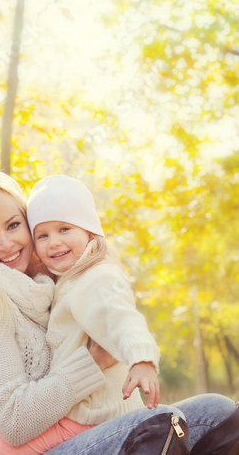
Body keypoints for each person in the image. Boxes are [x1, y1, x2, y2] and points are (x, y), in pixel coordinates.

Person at [0, 168, 239, 455]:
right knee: (158, 425)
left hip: (72, 431)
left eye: (13, 225)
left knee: (217, 412)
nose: (6, 243)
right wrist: (93, 362)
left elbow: (114, 312)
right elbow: (13, 423)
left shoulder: (47, 286)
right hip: (17, 449)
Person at [27, 173, 161, 423]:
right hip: (79, 411)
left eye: (64, 229)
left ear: (88, 231)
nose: (54, 242)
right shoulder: (66, 279)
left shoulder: (98, 275)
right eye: (42, 236)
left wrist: (142, 359)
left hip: (97, 415)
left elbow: (121, 316)